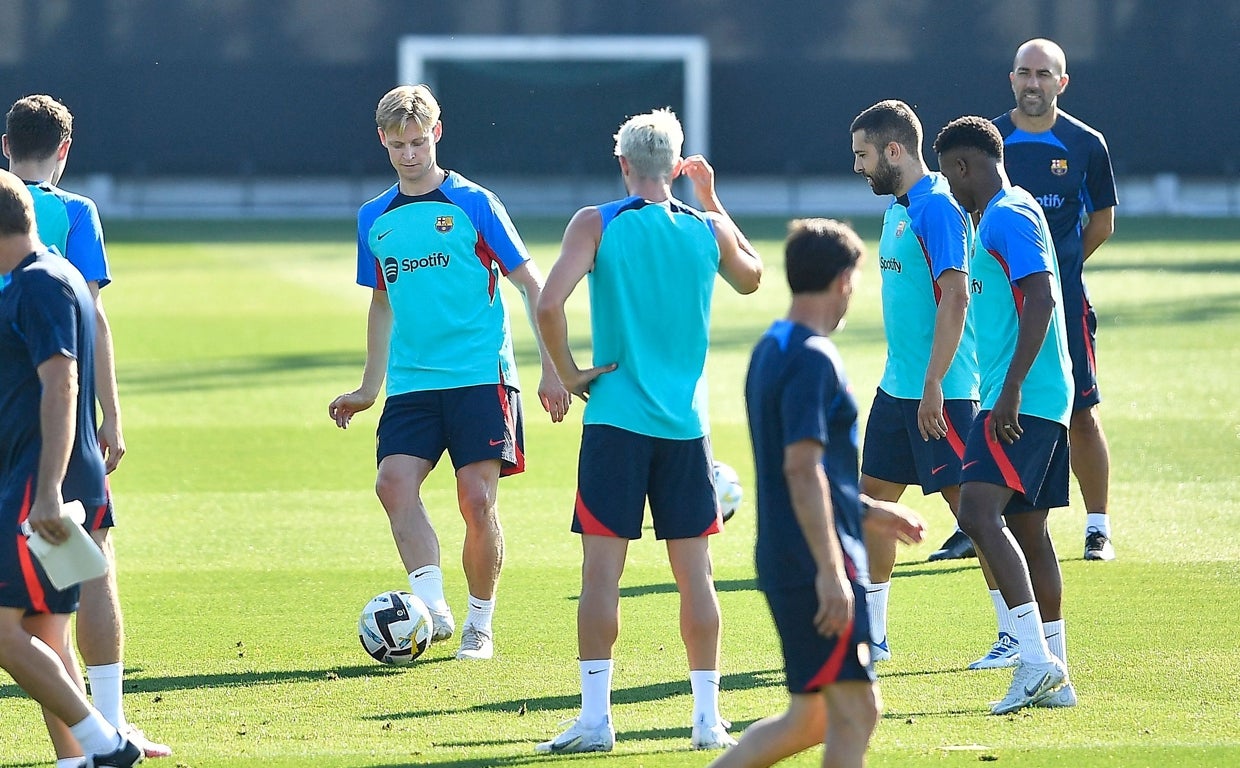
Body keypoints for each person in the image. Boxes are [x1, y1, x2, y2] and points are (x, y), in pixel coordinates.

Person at [533, 108, 763, 754]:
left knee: (601, 576)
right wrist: (714, 199)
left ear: (625, 165)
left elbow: (549, 303)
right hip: (685, 430)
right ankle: (707, 719)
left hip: (614, 424)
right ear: (679, 165)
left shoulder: (596, 223)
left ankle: (595, 720)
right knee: (698, 576)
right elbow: (753, 277)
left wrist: (569, 371)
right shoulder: (706, 229)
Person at [328, 85, 569, 662]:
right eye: (398, 144)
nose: (410, 154)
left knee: (475, 499)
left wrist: (553, 370)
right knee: (392, 484)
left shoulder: (475, 203)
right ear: (383, 141)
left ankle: (479, 624)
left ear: (437, 134)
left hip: (481, 375)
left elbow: (534, 286)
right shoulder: (373, 218)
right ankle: (431, 607)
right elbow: (382, 301)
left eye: (419, 142)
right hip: (414, 381)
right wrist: (369, 386)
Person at [710, 218, 926, 768]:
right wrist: (832, 573)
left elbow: (816, 472)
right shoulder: (814, 357)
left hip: (789, 554)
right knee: (856, 712)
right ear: (841, 281)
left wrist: (873, 512)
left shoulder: (772, 347)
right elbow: (802, 470)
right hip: (813, 562)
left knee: (813, 718)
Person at [3, 94, 171, 761]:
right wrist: (113, 416)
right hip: (67, 441)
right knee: (86, 579)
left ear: (6, 144)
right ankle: (104, 730)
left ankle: (90, 748)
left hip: (26, 445)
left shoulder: (14, 233)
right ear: (65, 149)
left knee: (33, 615)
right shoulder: (73, 214)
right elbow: (94, 318)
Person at [931, 38, 1120, 564]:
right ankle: (984, 518)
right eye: (1023, 73)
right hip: (996, 303)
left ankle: (1097, 526)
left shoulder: (1085, 143)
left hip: (1057, 302)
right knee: (983, 397)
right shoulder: (988, 142)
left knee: (1081, 409)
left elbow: (1101, 221)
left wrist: (1056, 273)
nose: (1032, 82)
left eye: (1044, 74)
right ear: (1011, 79)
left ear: (1062, 82)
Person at [934, 115, 1075, 713]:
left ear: (965, 167)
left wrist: (1012, 387)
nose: (949, 188)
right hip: (1034, 394)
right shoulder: (1005, 212)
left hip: (1022, 398)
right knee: (1027, 529)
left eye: (949, 175)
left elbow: (1041, 294)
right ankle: (1057, 677)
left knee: (975, 512)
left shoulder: (1006, 216)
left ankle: (1035, 661)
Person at [848, 100, 983, 664]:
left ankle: (1021, 640)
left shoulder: (938, 210)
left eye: (863, 155)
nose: (858, 166)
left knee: (978, 519)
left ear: (895, 150)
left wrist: (932, 384)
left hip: (941, 395)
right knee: (870, 509)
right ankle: (872, 638)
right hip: (896, 389)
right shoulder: (896, 209)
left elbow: (955, 297)